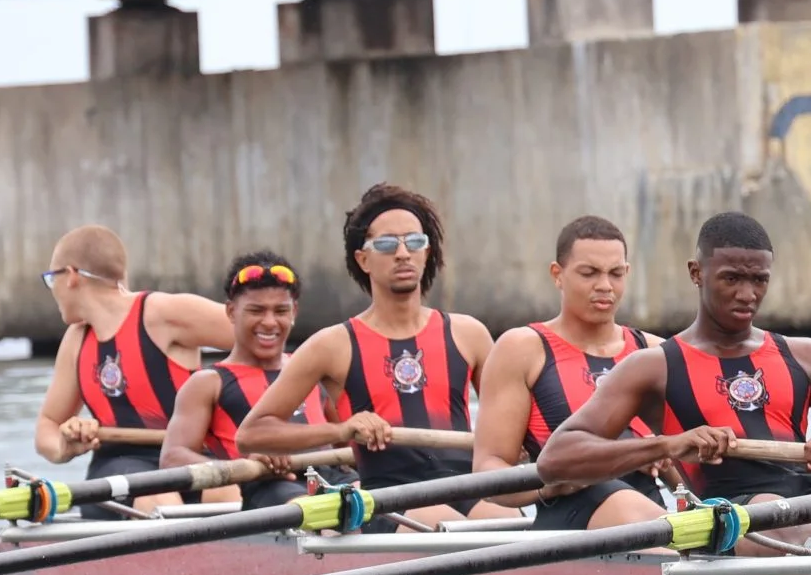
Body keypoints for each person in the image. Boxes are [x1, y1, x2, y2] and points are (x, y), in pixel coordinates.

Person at [537, 211, 811, 551]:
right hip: (723, 516)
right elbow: (555, 461)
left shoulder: (807, 355)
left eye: (759, 280)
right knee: (788, 526)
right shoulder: (654, 366)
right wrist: (668, 446)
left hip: (807, 501)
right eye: (731, 279)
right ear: (696, 272)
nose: (747, 294)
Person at [241, 183, 518, 530]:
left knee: (512, 523)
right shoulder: (332, 344)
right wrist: (342, 428)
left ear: (427, 252)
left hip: (469, 486)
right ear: (363, 259)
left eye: (414, 242)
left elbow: (516, 420)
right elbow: (251, 434)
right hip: (386, 496)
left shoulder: (469, 334)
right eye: (387, 244)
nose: (403, 253)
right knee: (442, 524)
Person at [473, 215, 670, 531]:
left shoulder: (654, 352)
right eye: (589, 273)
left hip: (650, 512)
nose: (604, 286)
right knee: (626, 506)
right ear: (557, 274)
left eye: (615, 273)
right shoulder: (522, 349)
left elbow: (689, 472)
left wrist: (668, 456)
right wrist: (552, 483)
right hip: (569, 513)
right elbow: (487, 468)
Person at [32, 223, 234, 504]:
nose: (52, 290)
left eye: (52, 279)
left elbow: (261, 337)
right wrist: (65, 446)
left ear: (71, 276)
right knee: (160, 497)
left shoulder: (163, 314)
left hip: (191, 452)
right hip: (120, 464)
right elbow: (47, 426)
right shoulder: (76, 341)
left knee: (227, 493)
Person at [160, 252, 329, 509]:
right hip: (264, 486)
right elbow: (172, 458)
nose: (270, 322)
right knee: (320, 513)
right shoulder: (208, 383)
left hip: (332, 477)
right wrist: (240, 466)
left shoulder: (313, 369)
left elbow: (346, 439)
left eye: (280, 310)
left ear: (293, 311)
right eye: (256, 310)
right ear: (231, 311)